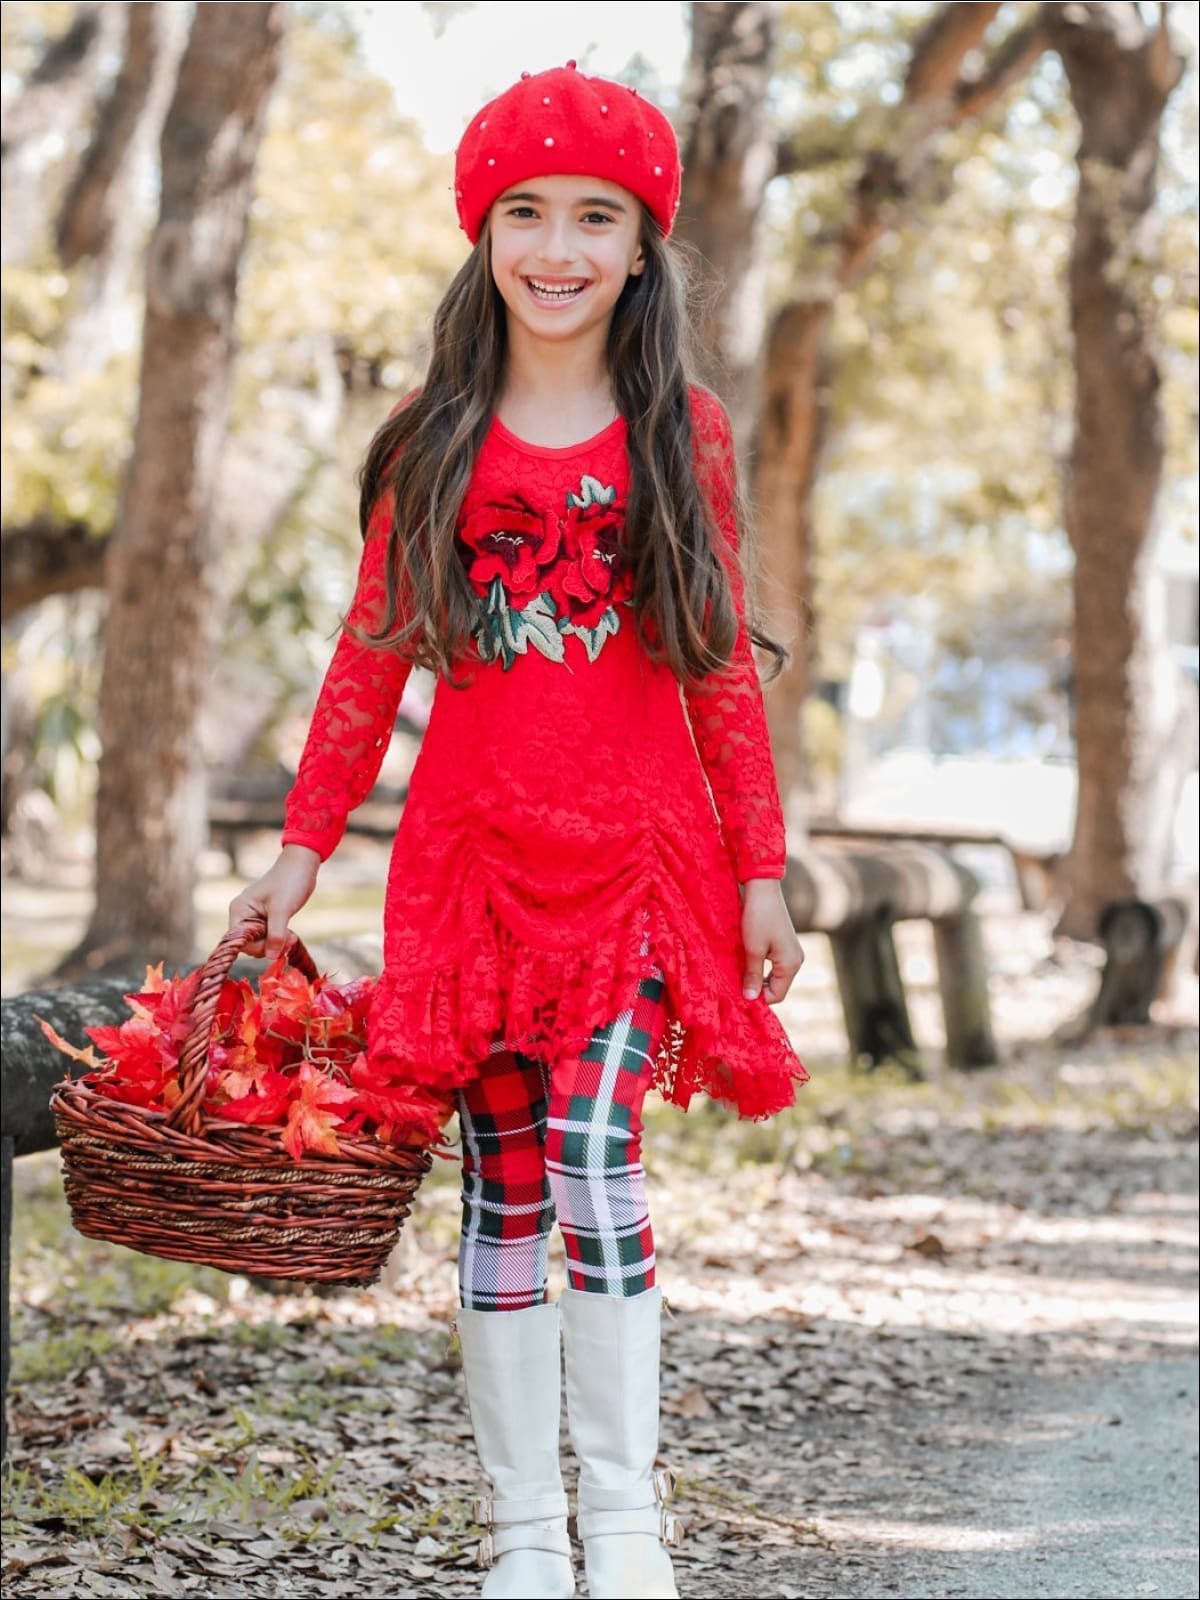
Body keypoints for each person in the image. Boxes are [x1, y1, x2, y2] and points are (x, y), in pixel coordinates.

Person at [227, 60, 808, 1600]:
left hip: (638, 862)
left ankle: (623, 1522)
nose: (558, 249)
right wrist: (296, 854)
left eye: (596, 218)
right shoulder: (433, 436)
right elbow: (367, 657)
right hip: (471, 871)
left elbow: (718, 662)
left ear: (643, 245)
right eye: (527, 215)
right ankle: (524, 1537)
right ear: (485, 236)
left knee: (598, 1160)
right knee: (503, 1180)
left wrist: (761, 867)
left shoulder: (684, 430)